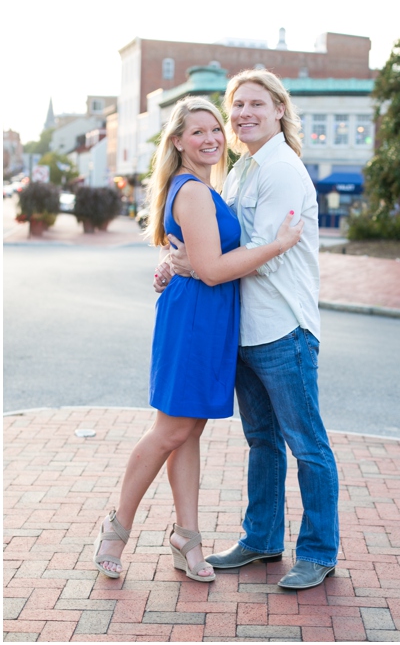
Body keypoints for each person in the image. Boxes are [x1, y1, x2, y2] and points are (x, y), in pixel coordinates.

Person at [92, 96, 302, 583]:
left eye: (215, 129)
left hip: (207, 317)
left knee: (189, 430)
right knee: (170, 430)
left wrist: (176, 263)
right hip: (195, 320)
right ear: (179, 141)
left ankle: (187, 536)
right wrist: (277, 245)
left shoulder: (208, 188)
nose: (210, 138)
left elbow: (198, 258)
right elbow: (210, 269)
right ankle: (115, 528)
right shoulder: (192, 191)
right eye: (197, 132)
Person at [157, 70, 340, 590]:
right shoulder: (240, 170)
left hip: (285, 329)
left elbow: (252, 253)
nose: (243, 115)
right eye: (237, 106)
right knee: (262, 442)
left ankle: (318, 551)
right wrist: (182, 260)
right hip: (244, 330)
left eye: (256, 103)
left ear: (279, 109)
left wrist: (196, 264)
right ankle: (261, 538)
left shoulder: (281, 169)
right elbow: (213, 238)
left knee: (307, 444)